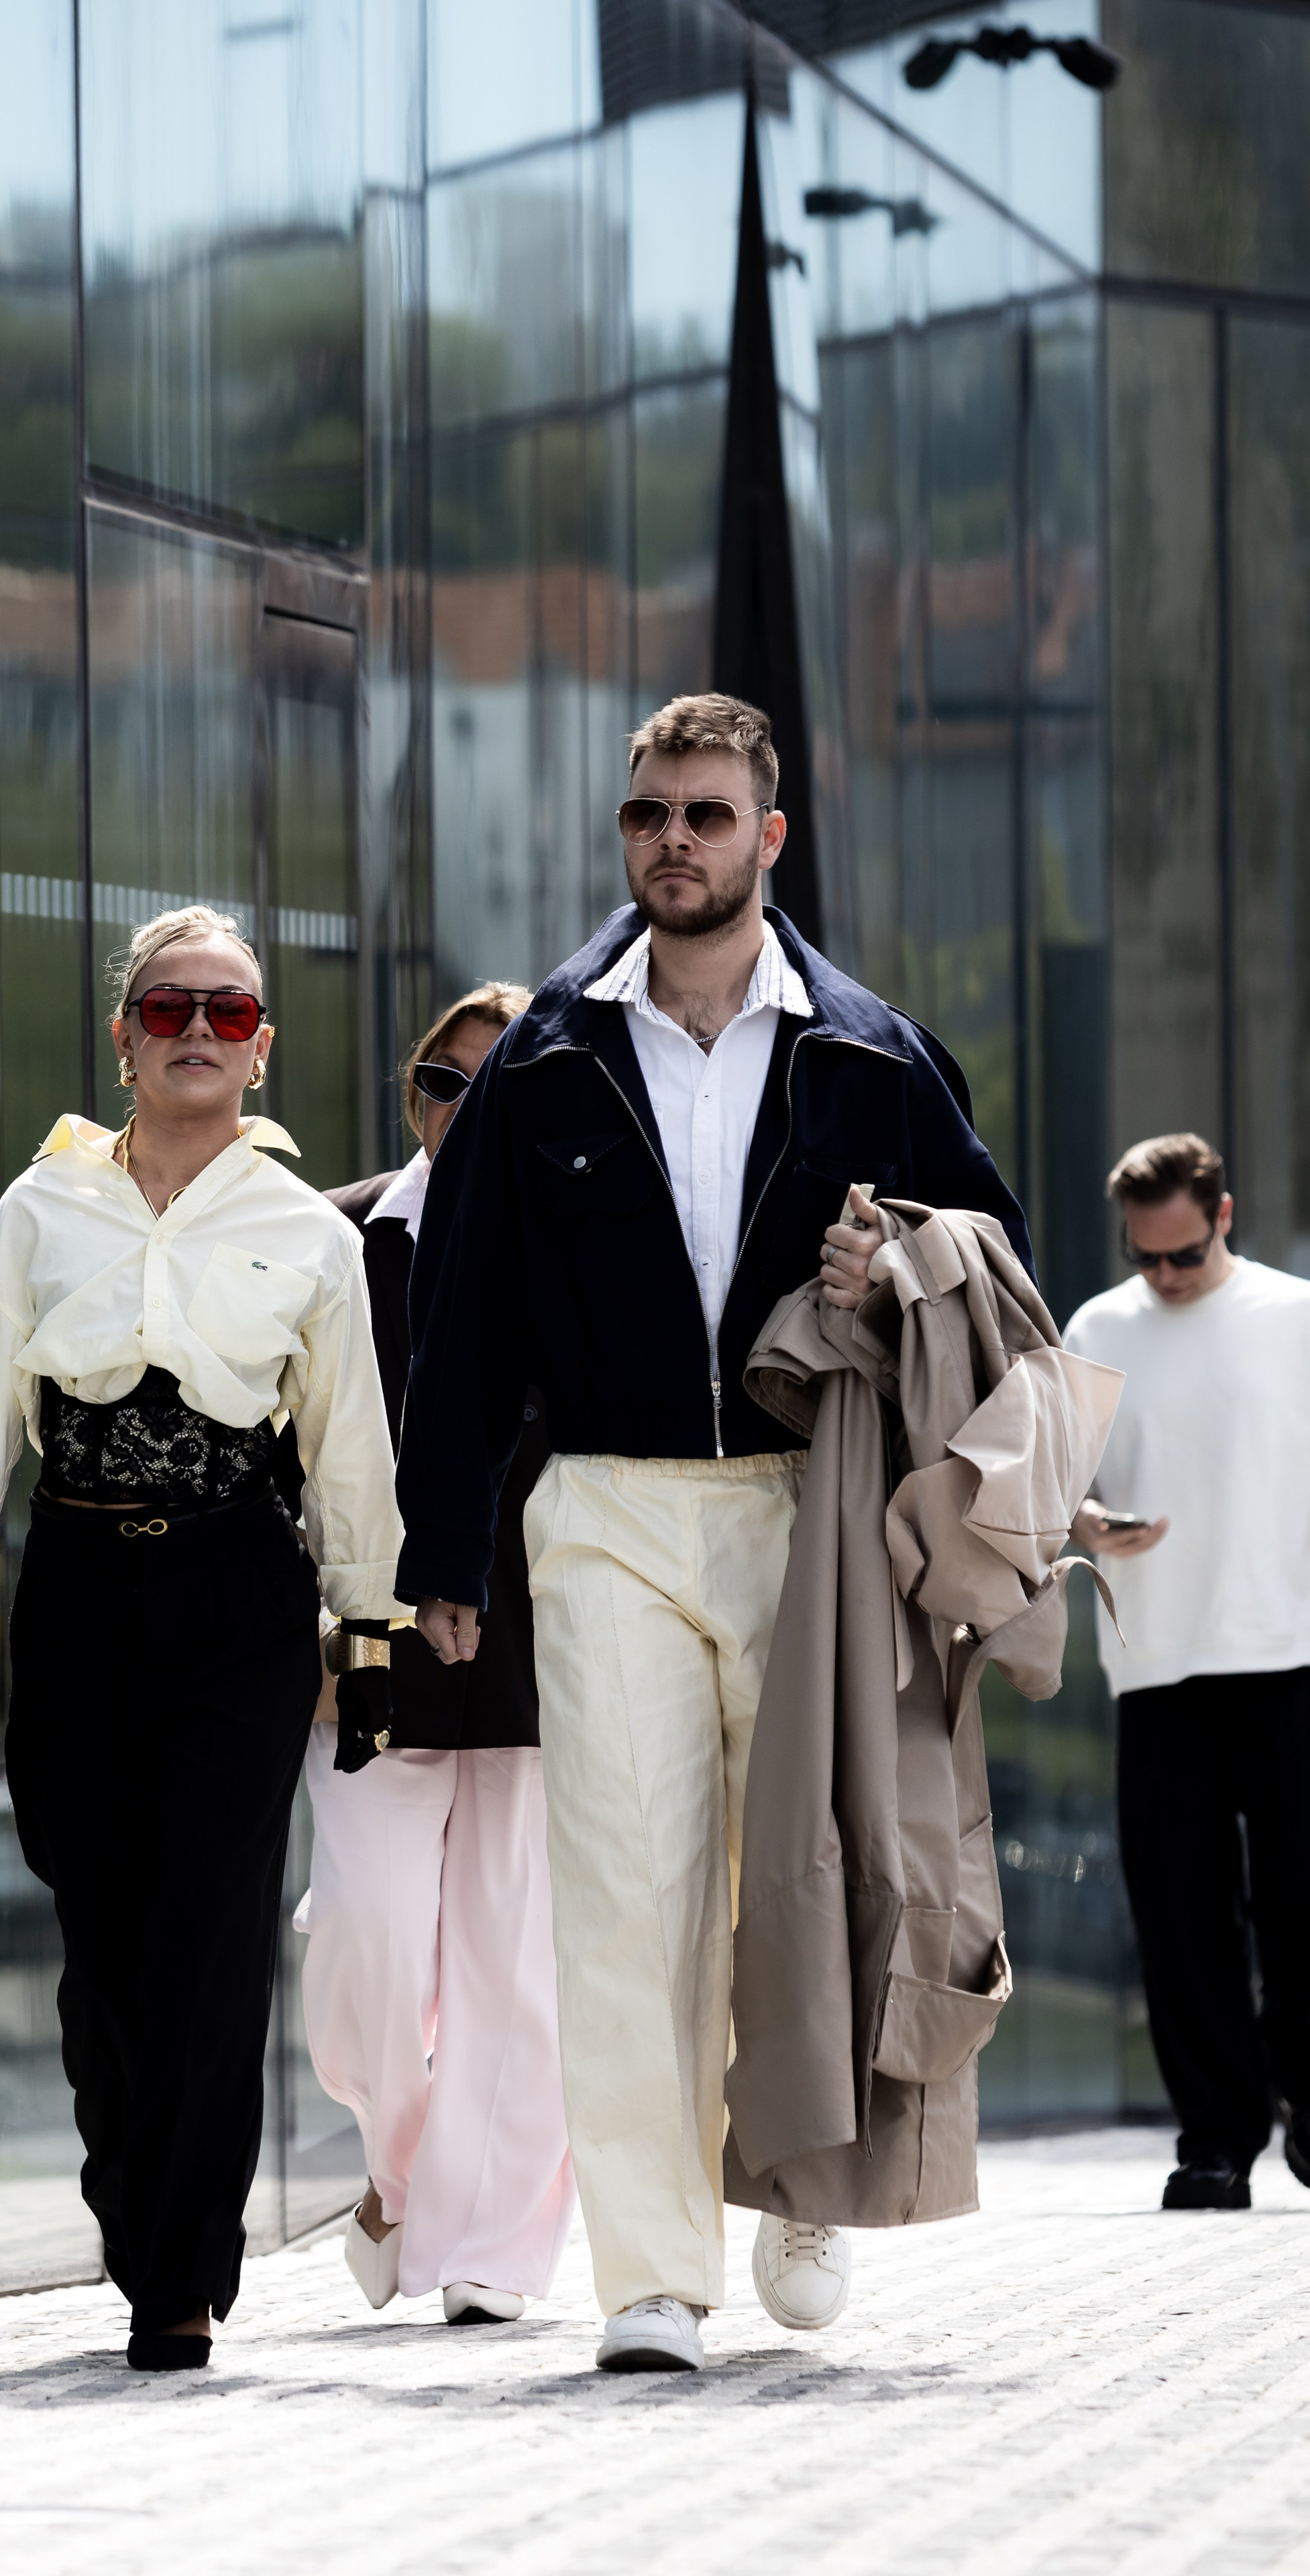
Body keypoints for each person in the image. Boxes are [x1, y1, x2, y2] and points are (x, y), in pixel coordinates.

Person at [396, 692, 1030, 2372]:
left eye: (702, 813)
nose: (670, 840)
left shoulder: (868, 1052)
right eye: (645, 815)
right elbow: (458, 1317)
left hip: (804, 1512)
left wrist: (890, 1271)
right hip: (603, 1510)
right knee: (627, 1896)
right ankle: (651, 2278)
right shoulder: (541, 1057)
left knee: (800, 1879)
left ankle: (803, 2183)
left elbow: (995, 1254)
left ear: (767, 836)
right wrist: (443, 1552)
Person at [0, 904, 407, 2373]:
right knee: (99, 1932)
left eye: (227, 1013)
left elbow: (350, 1446)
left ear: (261, 1047)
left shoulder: (310, 1233)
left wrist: (364, 1631)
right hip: (76, 1592)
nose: (196, 1032)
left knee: (212, 1934)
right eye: (169, 1008)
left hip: (241, 1600)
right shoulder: (37, 1210)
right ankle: (136, 2201)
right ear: (124, 1038)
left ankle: (179, 2274)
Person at [303, 982, 576, 2328]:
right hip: (367, 1640)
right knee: (364, 1931)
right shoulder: (335, 1238)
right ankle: (402, 2171)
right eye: (442, 1080)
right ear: (413, 1093)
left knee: (515, 1961)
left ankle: (492, 2252)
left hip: (546, 1642)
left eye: (498, 1081)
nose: (465, 1106)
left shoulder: (592, 1241)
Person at [1064, 1132, 1310, 2213]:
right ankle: (1215, 2142)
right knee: (1181, 1918)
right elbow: (1058, 1482)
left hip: (1292, 1651)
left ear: (1224, 1216)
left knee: (1302, 1904)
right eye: (1146, 1256)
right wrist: (1085, 1523)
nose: (1163, 1276)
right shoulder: (1096, 1329)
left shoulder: (1295, 1318)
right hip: (1158, 1661)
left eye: (1184, 1255)